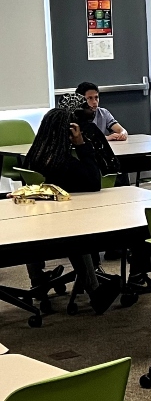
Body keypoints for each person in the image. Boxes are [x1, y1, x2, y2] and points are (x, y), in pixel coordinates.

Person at [23, 103, 118, 314]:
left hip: (33, 232)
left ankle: (38, 281)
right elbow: (94, 182)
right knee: (77, 230)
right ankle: (96, 292)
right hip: (63, 232)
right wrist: (82, 145)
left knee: (68, 223)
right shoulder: (63, 165)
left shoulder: (33, 158)